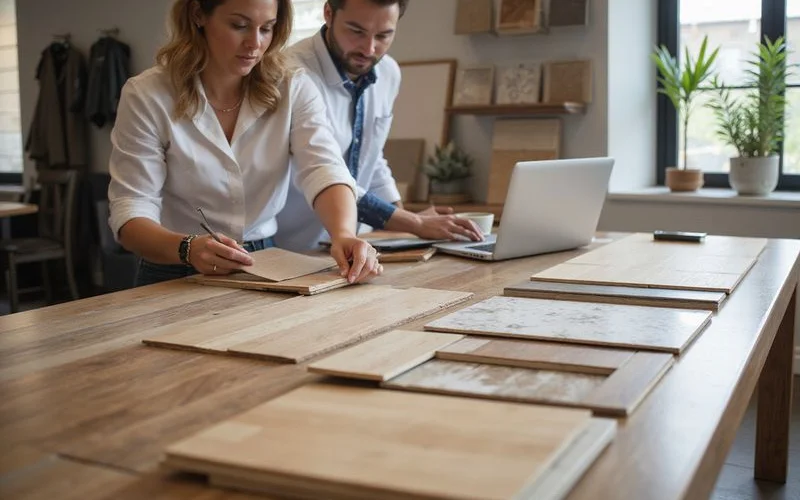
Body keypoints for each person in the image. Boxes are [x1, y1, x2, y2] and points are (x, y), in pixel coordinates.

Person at [108, 0, 382, 287]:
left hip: (264, 260)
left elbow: (324, 168)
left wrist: (344, 234)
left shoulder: (293, 86)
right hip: (173, 265)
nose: (255, 43)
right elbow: (131, 210)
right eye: (239, 26)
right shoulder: (148, 94)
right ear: (198, 14)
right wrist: (188, 248)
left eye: (266, 28)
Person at [273, 0, 484, 252]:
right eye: (356, 31)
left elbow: (370, 159)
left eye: (383, 35)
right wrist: (413, 223)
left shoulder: (388, 72)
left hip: (358, 243)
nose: (369, 48)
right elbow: (324, 171)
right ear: (328, 13)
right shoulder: (290, 74)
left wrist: (407, 223)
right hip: (291, 248)